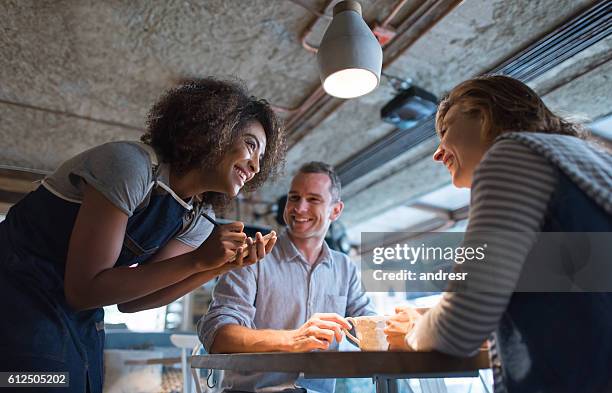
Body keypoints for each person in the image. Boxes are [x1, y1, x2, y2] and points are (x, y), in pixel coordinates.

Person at [0, 78, 286, 393]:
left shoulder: (200, 217)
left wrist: (218, 266)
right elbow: (83, 289)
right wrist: (197, 260)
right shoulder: (130, 167)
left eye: (262, 156)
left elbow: (134, 303)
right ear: (215, 130)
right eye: (251, 144)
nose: (257, 166)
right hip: (18, 288)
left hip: (78, 313)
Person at [385, 75, 612, 392]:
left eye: (446, 130)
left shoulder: (511, 152)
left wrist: (414, 329)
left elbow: (458, 330)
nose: (437, 154)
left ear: (482, 113)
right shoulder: (589, 159)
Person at [198, 161, 376, 393]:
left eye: (313, 199)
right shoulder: (254, 256)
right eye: (294, 197)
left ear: (336, 210)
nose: (299, 208)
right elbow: (218, 334)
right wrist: (293, 339)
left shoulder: (345, 267)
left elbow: (370, 325)